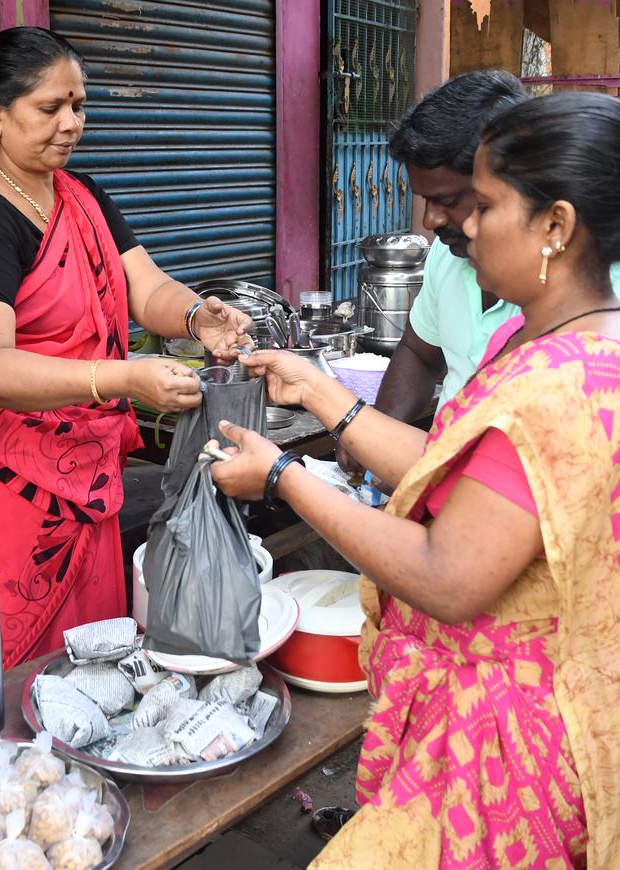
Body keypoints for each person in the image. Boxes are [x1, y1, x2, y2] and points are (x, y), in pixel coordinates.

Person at [209, 91, 620, 867]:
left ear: (556, 227)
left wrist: (287, 478)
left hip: (501, 756)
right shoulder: (588, 348)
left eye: (487, 204)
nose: (460, 225)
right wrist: (323, 394)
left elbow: (448, 574)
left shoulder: (549, 387)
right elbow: (474, 486)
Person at [0, 27, 251, 668]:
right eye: (50, 108)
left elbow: (146, 286)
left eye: (79, 105)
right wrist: (124, 379)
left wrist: (195, 317)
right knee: (28, 653)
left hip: (80, 455)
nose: (71, 123)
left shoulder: (81, 194)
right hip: (4, 467)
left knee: (94, 641)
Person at [345, 71, 620, 475]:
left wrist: (294, 460)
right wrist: (377, 439)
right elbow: (421, 354)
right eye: (423, 200)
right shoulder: (450, 260)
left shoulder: (584, 327)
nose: (429, 221)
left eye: (454, 200)